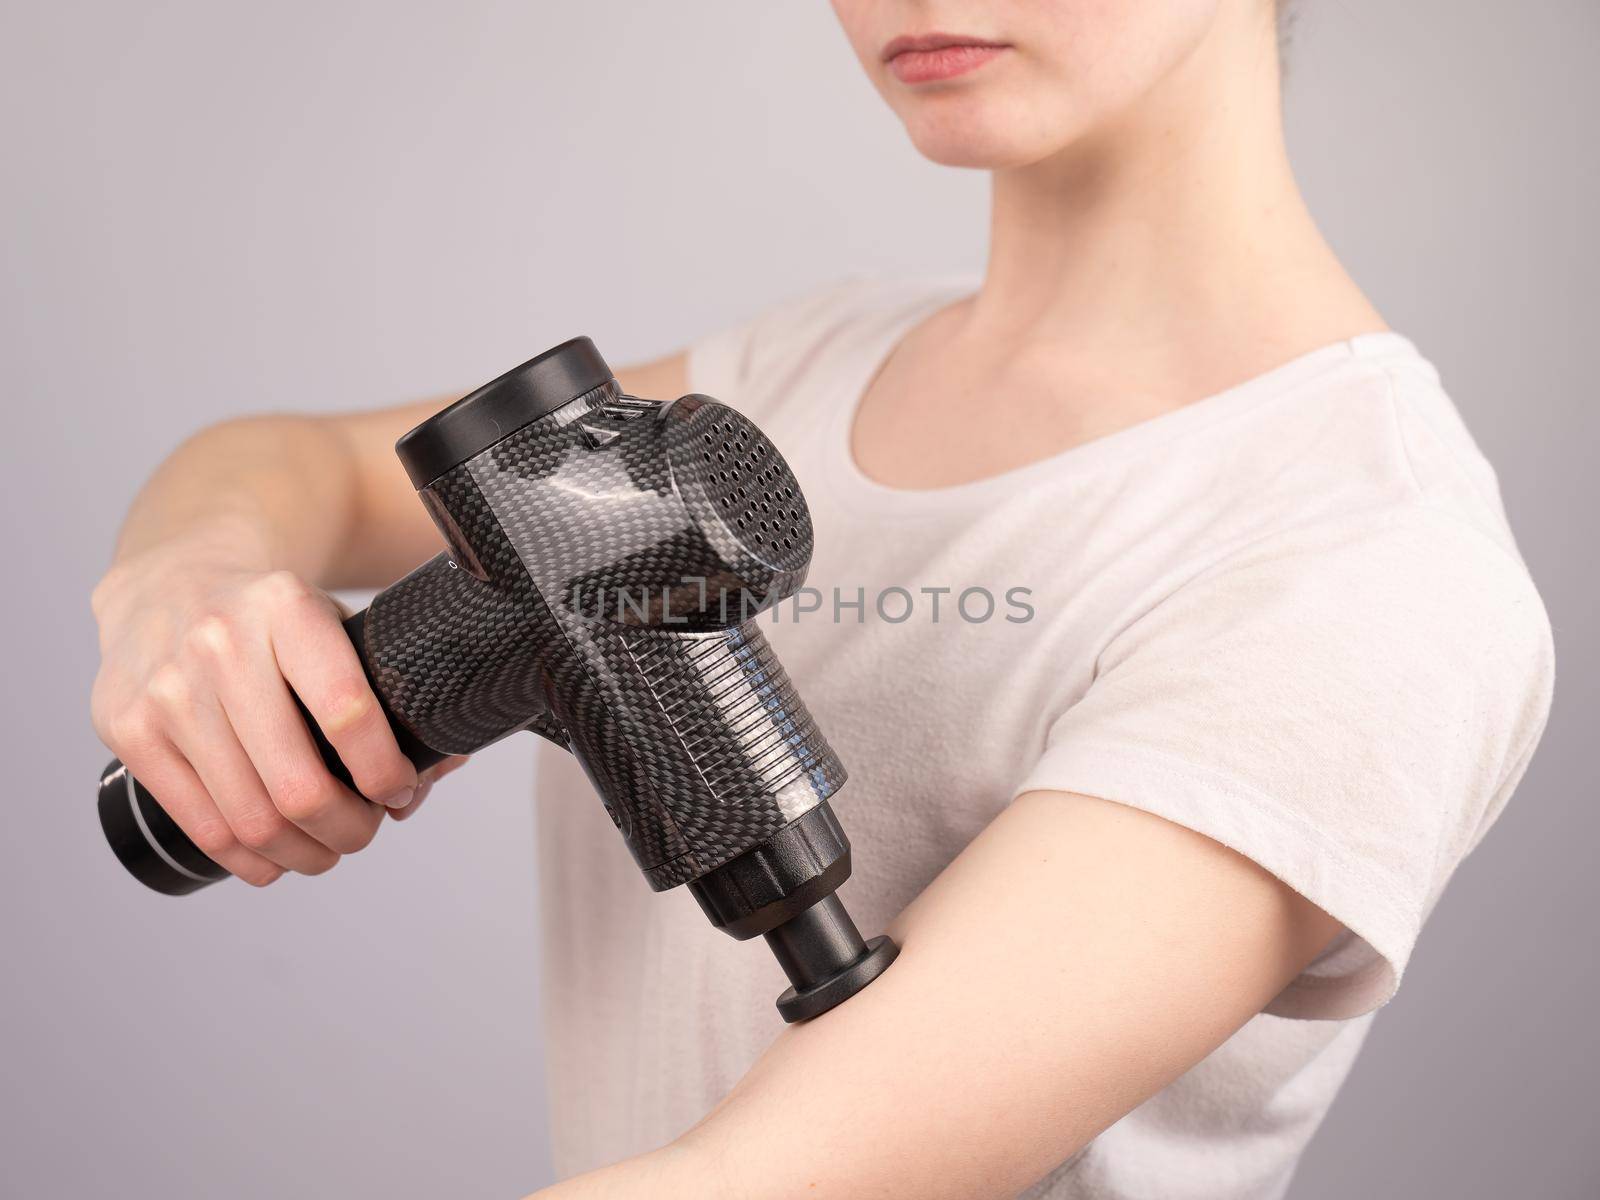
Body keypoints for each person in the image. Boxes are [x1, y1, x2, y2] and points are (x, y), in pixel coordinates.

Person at [89, 2, 1555, 1197]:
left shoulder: (1367, 570)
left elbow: (766, 1182)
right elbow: (271, 463)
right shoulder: (805, 364)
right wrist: (183, 579)